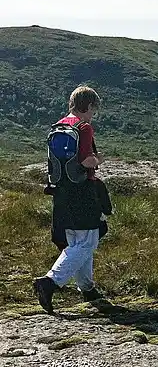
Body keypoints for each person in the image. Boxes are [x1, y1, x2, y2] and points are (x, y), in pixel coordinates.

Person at [34, 85, 106, 313]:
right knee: (87, 242)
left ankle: (87, 288)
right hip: (82, 191)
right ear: (90, 106)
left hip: (61, 191)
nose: (93, 114)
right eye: (94, 109)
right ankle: (50, 282)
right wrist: (98, 160)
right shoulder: (83, 128)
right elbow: (85, 161)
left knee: (77, 242)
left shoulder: (60, 125)